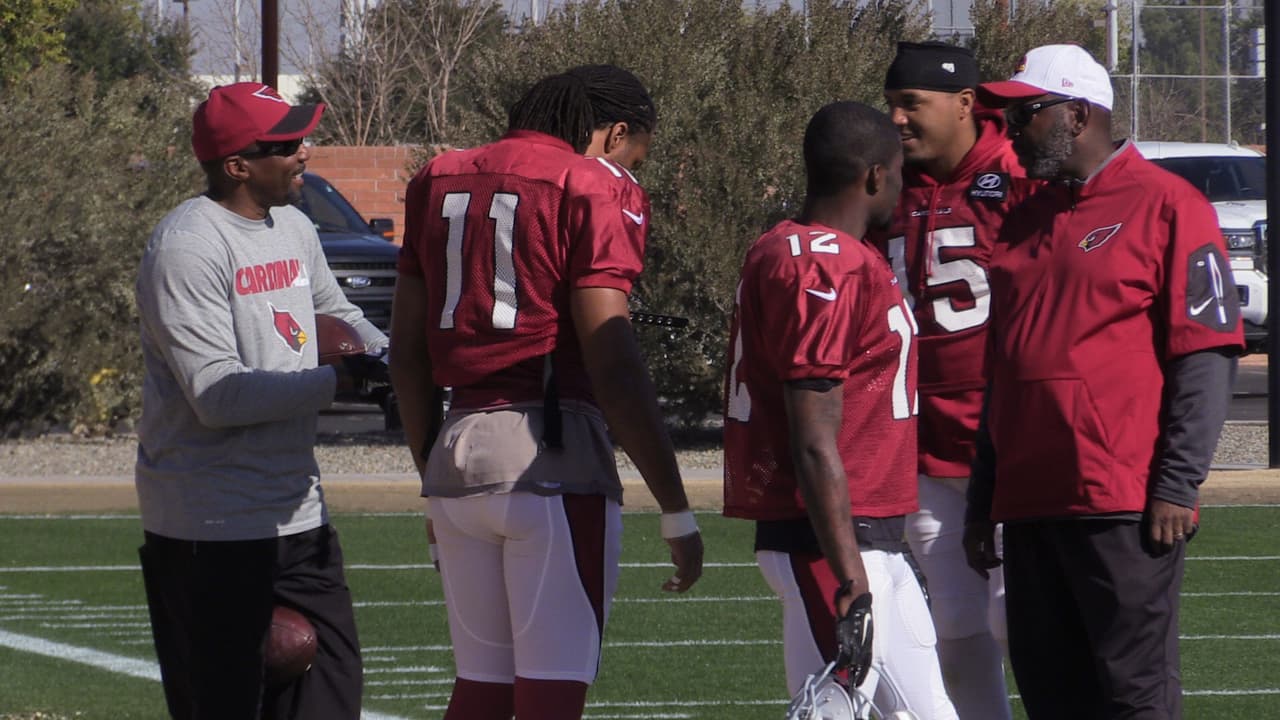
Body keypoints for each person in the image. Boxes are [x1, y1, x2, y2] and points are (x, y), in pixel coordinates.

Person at [389, 69, 704, 720]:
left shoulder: (438, 176)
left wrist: (430, 475)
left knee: (480, 691)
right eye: (635, 153)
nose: (632, 168)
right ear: (616, 133)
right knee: (551, 695)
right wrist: (675, 507)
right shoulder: (590, 182)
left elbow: (409, 354)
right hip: (550, 457)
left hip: (456, 452)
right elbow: (612, 358)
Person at [967, 44, 1244, 719]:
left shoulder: (1168, 205)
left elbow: (1205, 353)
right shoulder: (1023, 217)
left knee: (1132, 696)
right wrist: (983, 494)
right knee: (1050, 695)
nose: (1009, 130)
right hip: (1030, 502)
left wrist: (1178, 483)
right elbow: (1004, 369)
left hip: (1120, 500)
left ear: (1079, 114)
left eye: (1025, 113)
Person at [135, 83, 389, 719]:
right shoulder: (188, 246)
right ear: (237, 165)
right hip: (210, 523)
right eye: (285, 143)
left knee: (332, 699)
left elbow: (339, 315)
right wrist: (343, 383)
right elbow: (217, 395)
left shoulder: (296, 227)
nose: (303, 152)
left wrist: (395, 361)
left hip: (297, 509)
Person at [723, 100, 957, 719]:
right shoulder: (824, 262)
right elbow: (812, 434)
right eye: (899, 174)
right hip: (830, 540)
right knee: (830, 712)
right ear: (875, 176)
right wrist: (850, 578)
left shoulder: (796, 248)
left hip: (868, 532)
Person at [878, 40, 1039, 720]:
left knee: (1016, 618)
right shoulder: (885, 183)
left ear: (965, 104)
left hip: (1003, 437)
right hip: (920, 437)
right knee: (954, 626)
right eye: (891, 106)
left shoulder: (1015, 175)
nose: (898, 120)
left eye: (911, 104)